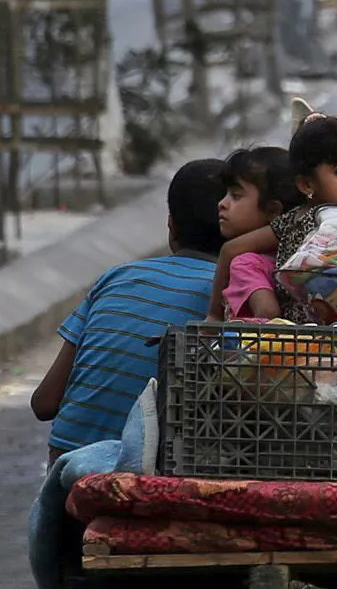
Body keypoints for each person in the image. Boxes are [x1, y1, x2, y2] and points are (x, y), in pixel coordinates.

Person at [33, 158, 231, 461]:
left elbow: (44, 402)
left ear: (171, 226)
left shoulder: (116, 278)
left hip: (71, 464)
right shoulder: (234, 297)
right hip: (159, 474)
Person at [206, 113, 337, 318]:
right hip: (296, 336)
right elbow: (230, 250)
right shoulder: (296, 220)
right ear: (306, 184)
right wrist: (214, 315)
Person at [218, 146, 299, 320]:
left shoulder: (246, 263)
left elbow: (267, 314)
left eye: (236, 196)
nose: (222, 203)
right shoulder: (297, 259)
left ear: (272, 210)